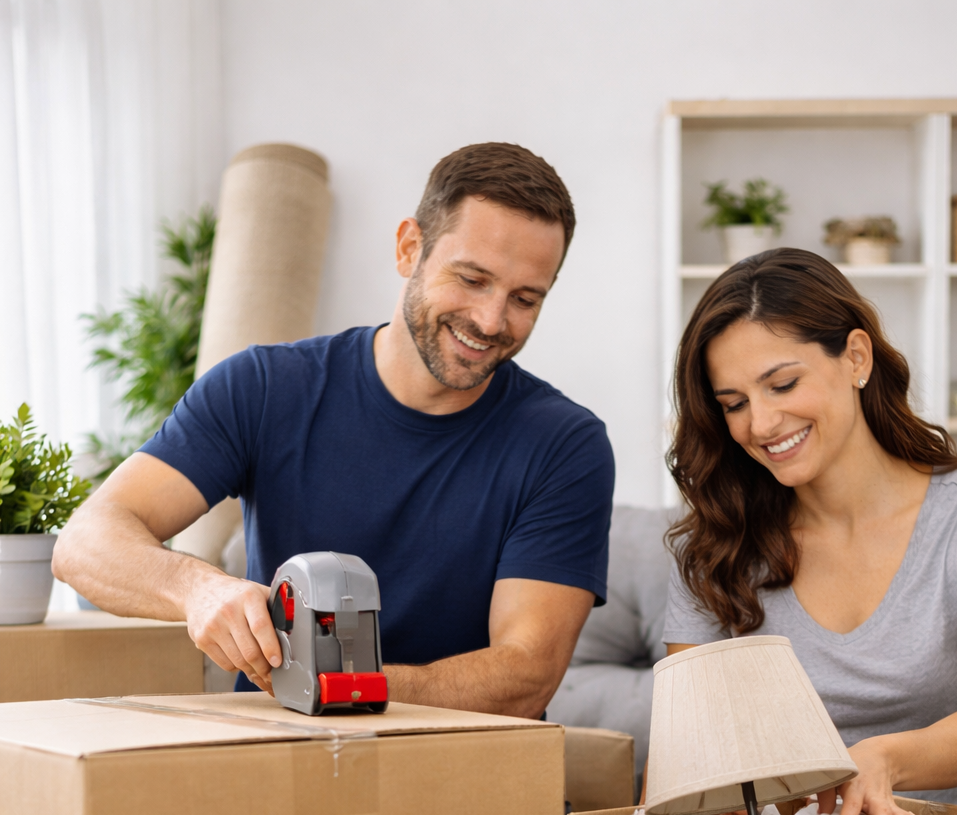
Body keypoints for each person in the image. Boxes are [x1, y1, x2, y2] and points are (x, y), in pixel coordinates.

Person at [54, 143, 614, 718]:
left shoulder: (565, 445)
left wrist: (335, 686)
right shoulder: (264, 387)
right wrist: (198, 588)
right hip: (284, 759)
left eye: (524, 299)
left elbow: (524, 677)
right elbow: (85, 545)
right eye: (472, 279)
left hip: (461, 768)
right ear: (408, 248)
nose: (492, 321)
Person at [659, 247, 957, 815]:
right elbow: (700, 758)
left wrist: (880, 760)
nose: (762, 423)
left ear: (856, 357)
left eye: (782, 384)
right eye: (734, 404)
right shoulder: (716, 548)